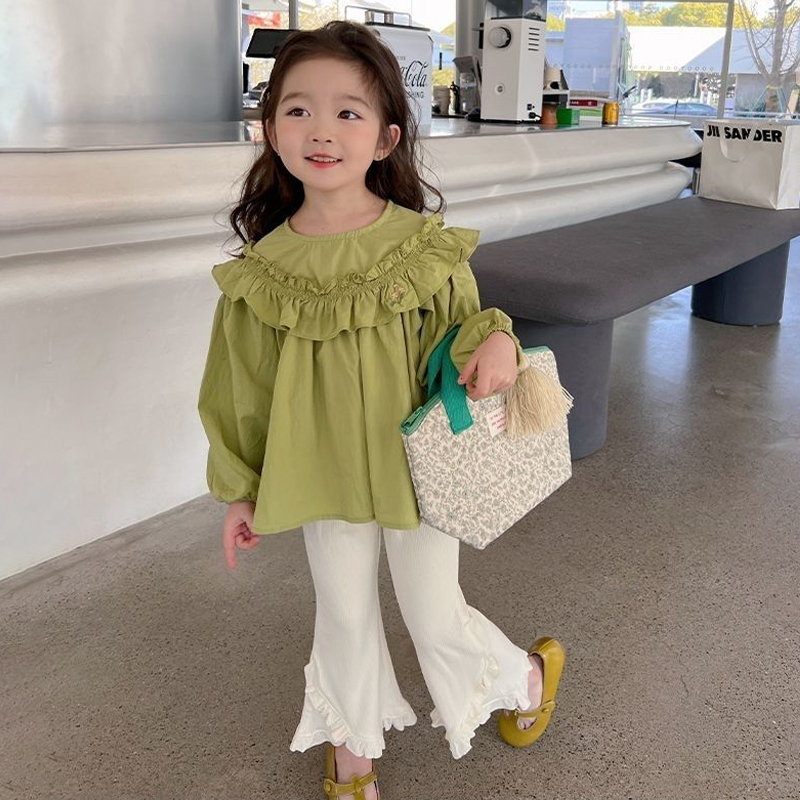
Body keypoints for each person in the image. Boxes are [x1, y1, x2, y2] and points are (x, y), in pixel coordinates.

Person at [197, 20, 565, 800]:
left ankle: (526, 677)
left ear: (387, 136)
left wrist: (498, 341)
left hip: (418, 475)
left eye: (348, 112)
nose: (321, 130)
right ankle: (353, 749)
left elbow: (465, 330)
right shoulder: (263, 271)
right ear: (269, 129)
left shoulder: (420, 246)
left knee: (433, 613)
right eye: (298, 110)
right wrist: (241, 488)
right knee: (343, 614)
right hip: (322, 471)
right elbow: (240, 392)